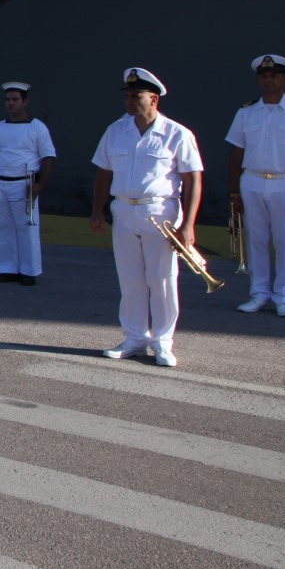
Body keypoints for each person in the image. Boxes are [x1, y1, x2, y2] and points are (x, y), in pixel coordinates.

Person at [90, 68, 204, 367]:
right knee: (130, 279)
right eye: (127, 95)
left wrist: (189, 225)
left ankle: (163, 342)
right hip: (124, 210)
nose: (129, 101)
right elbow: (103, 172)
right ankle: (134, 338)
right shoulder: (115, 130)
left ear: (153, 99)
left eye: (135, 96)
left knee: (162, 279)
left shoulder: (177, 134)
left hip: (161, 212)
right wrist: (97, 210)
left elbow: (193, 180)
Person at [227, 55, 285, 316]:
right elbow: (235, 155)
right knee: (256, 240)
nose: (269, 80)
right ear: (258, 80)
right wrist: (234, 192)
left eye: (275, 75)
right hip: (251, 181)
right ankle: (259, 293)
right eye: (264, 76)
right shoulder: (246, 112)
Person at [0, 83, 56, 285]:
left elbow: (48, 157)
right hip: (0, 182)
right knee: (0, 227)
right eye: (8, 100)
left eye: (15, 99)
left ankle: (29, 271)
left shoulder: (37, 127)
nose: (10, 103)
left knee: (27, 227)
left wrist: (39, 185)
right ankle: (6, 269)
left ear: (25, 101)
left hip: (25, 183)